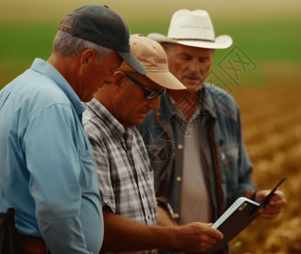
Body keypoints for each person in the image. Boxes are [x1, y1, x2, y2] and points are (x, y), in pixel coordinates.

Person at [0, 4, 147, 254]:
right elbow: (56, 207)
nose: (109, 80)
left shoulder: (12, 91)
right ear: (87, 58)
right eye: (111, 70)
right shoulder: (52, 105)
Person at [138, 9, 287, 253]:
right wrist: (173, 236)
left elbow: (239, 181)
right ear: (165, 55)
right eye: (186, 58)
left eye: (203, 60)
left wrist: (257, 199)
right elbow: (132, 193)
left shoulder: (226, 107)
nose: (195, 68)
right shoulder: (144, 108)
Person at [83, 34, 223, 254]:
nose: (156, 105)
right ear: (118, 80)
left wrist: (181, 233)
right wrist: (177, 238)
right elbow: (100, 228)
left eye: (161, 93)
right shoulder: (89, 135)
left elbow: (145, 205)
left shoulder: (130, 131)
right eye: (150, 92)